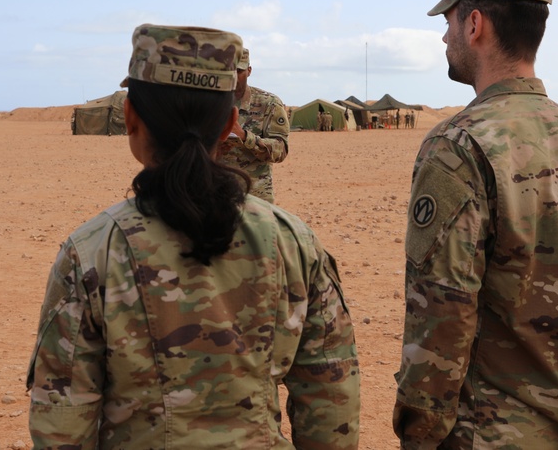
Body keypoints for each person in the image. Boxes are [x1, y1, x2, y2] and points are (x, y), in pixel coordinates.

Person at [27, 24, 360, 449]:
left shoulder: (92, 251)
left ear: (130, 118)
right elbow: (331, 400)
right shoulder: (294, 243)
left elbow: (62, 420)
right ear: (230, 124)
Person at [394, 0, 558, 448]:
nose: (444, 37)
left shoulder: (459, 146)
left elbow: (442, 314)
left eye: (448, 21)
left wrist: (421, 436)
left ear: (475, 24)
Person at [216, 47, 289, 202]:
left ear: (249, 71)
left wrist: (244, 136)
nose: (233, 76)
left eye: (239, 71)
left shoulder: (269, 103)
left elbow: (280, 150)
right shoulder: (210, 102)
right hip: (214, 194)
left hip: (255, 197)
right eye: (228, 71)